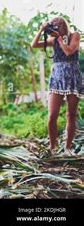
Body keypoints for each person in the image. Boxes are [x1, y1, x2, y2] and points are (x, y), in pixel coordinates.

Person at [31, 16, 82, 155]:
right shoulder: (52, 39)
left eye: (57, 26)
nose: (54, 29)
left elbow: (69, 51)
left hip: (72, 77)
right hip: (57, 77)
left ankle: (67, 148)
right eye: (52, 26)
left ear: (63, 26)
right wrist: (42, 29)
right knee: (52, 115)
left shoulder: (75, 35)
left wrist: (59, 38)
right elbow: (34, 45)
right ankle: (52, 147)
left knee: (71, 115)